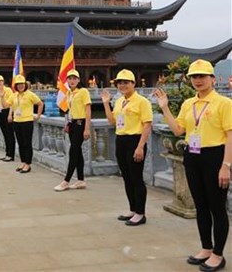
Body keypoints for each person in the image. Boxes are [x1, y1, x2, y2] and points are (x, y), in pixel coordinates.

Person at [155, 59, 231, 270]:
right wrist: (164, 108)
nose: (198, 80)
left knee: (217, 207)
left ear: (212, 79)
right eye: (194, 77)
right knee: (201, 206)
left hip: (215, 157)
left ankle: (218, 254)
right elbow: (179, 130)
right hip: (193, 155)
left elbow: (230, 135)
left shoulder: (224, 103)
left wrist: (226, 165)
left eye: (202, 76)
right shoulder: (189, 104)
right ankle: (206, 248)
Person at [101, 69, 152, 226]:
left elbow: (147, 125)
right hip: (121, 139)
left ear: (133, 84)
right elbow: (112, 122)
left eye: (126, 82)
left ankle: (140, 213)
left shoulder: (142, 101)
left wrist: (140, 147)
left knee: (136, 177)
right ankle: (132, 208)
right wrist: (105, 103)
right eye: (120, 83)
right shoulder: (119, 101)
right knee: (127, 177)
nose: (122, 85)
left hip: (135, 140)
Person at [54, 70, 91, 191]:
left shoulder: (83, 91)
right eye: (69, 79)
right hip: (73, 124)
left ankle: (66, 181)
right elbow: (70, 110)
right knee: (77, 152)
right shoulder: (70, 92)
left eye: (74, 78)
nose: (72, 81)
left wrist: (87, 129)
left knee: (73, 152)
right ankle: (81, 180)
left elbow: (87, 111)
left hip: (81, 123)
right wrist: (68, 123)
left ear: (79, 80)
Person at [8, 75, 42, 172]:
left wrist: (38, 116)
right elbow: (9, 105)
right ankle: (23, 162)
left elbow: (40, 104)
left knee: (27, 143)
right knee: (20, 143)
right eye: (18, 84)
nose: (20, 86)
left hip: (27, 121)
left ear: (25, 84)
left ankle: (28, 163)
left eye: (22, 84)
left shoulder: (30, 94)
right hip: (16, 121)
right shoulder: (14, 95)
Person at [0, 75, 15, 162]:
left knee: (10, 134)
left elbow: (11, 104)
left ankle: (11, 155)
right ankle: (7, 153)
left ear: (3, 81)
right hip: (0, 113)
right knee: (5, 134)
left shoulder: (8, 90)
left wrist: (10, 115)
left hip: (7, 112)